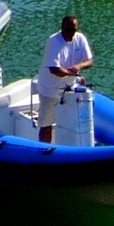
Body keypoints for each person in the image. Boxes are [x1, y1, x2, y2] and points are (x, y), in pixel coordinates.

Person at [37, 14, 94, 143]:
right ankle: (44, 150)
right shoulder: (54, 41)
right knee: (47, 124)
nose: (71, 33)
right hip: (50, 88)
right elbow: (55, 69)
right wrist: (73, 74)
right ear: (62, 28)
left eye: (74, 30)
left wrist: (79, 66)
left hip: (69, 86)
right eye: (68, 30)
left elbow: (89, 61)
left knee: (75, 118)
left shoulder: (80, 38)